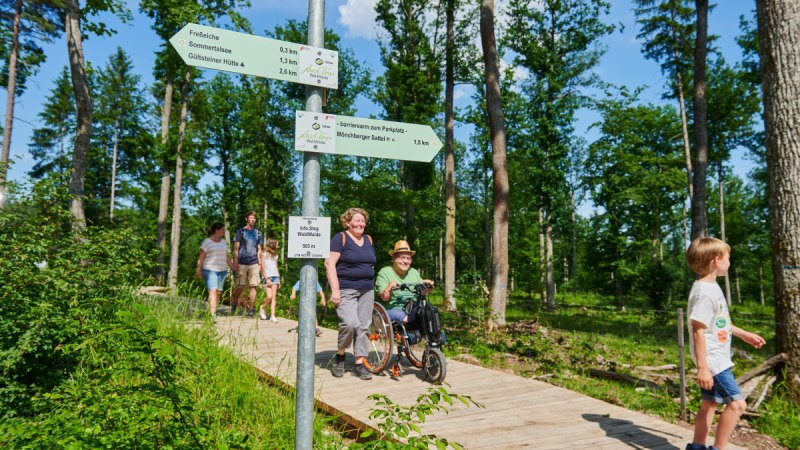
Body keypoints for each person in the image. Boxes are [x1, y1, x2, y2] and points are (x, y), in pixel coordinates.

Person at [684, 237, 766, 450]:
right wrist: (703, 367)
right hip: (713, 362)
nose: (730, 262)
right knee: (738, 405)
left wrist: (743, 334)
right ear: (716, 261)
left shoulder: (712, 287)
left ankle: (697, 447)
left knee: (709, 403)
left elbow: (719, 323)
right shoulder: (704, 292)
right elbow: (698, 329)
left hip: (716, 358)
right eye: (728, 258)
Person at [324, 207, 376, 380]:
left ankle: (359, 363)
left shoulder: (368, 239)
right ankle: (340, 356)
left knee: (364, 325)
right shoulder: (341, 238)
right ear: (347, 222)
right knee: (350, 323)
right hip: (346, 288)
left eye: (363, 221)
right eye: (357, 220)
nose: (361, 224)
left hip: (367, 289)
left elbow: (369, 263)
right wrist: (335, 290)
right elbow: (329, 264)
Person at [375, 240, 433, 324]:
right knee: (407, 318)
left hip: (412, 308)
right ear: (393, 258)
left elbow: (422, 293)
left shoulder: (414, 272)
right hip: (391, 309)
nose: (405, 261)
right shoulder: (384, 272)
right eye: (402, 258)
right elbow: (384, 298)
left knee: (429, 312)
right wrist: (389, 287)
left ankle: (435, 336)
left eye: (408, 258)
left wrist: (428, 287)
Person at [196, 222, 232, 320]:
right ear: (217, 230)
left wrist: (233, 266)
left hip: (222, 270)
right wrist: (198, 269)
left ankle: (212, 311)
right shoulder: (207, 242)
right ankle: (212, 315)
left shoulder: (224, 242)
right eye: (222, 230)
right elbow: (201, 256)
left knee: (218, 293)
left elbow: (226, 256)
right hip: (209, 269)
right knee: (213, 290)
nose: (224, 232)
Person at [232, 211, 263, 317]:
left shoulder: (258, 233)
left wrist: (260, 264)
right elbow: (236, 248)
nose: (252, 220)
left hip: (254, 262)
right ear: (246, 219)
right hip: (242, 262)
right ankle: (235, 301)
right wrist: (235, 261)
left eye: (254, 218)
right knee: (240, 286)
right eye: (250, 218)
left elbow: (259, 249)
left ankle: (251, 308)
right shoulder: (240, 232)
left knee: (253, 286)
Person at [260, 238, 280, 322]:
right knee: (269, 296)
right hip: (267, 277)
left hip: (275, 276)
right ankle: (263, 306)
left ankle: (272, 315)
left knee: (274, 297)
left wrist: (278, 279)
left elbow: (276, 267)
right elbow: (262, 267)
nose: (278, 245)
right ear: (272, 244)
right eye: (277, 244)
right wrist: (267, 278)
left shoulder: (275, 255)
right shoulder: (264, 254)